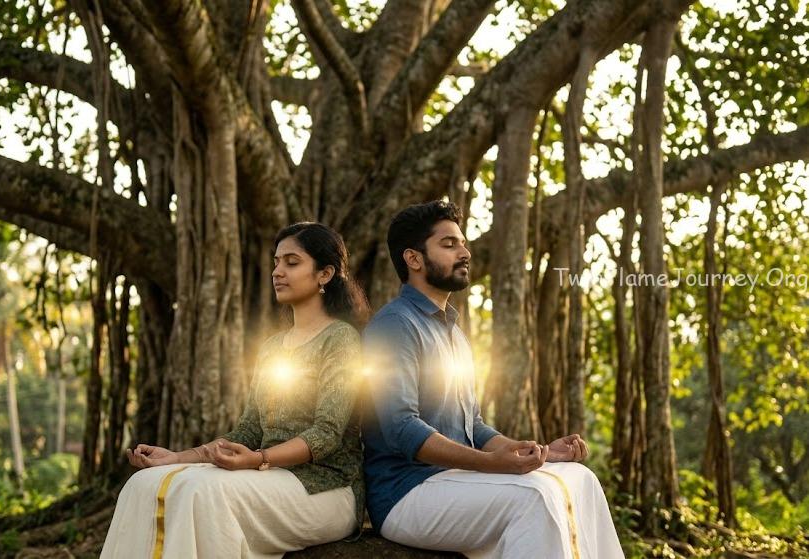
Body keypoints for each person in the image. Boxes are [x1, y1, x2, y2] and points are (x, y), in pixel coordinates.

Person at [361, 200, 624, 559]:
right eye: (449, 244)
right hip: (406, 491)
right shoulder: (394, 325)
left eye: (463, 243)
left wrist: (540, 453)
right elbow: (401, 428)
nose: (465, 252)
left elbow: (475, 427)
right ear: (414, 259)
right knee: (533, 498)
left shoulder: (454, 333)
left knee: (581, 480)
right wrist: (492, 464)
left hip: (457, 480)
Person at [101, 222, 370, 559]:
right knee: (143, 484)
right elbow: (248, 429)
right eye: (276, 262)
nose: (277, 272)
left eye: (292, 262)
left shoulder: (341, 339)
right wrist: (177, 458)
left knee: (201, 492)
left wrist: (259, 459)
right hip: (268, 478)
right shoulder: (273, 347)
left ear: (325, 274)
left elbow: (327, 434)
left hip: (326, 488)